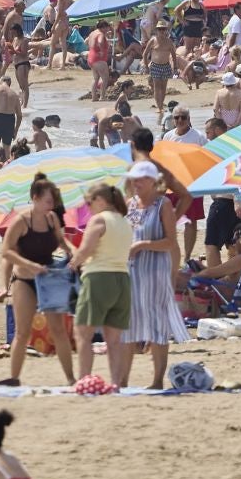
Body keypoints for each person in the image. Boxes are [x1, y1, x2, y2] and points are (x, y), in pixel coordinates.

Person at [0, 176, 75, 385]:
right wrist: (29, 265)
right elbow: (5, 252)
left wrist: (72, 253)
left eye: (53, 202)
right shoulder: (21, 221)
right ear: (35, 198)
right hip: (24, 279)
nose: (52, 205)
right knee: (22, 332)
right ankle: (14, 378)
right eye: (48, 201)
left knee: (58, 329)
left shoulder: (52, 219)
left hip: (48, 278)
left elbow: (61, 240)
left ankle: (70, 378)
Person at [123, 162, 190, 387]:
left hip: (156, 271)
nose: (136, 182)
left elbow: (171, 241)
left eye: (141, 178)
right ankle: (122, 380)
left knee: (157, 325)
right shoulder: (130, 205)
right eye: (134, 178)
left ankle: (157, 379)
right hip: (133, 271)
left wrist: (142, 245)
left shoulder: (163, 204)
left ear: (153, 181)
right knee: (129, 323)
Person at [69, 182, 132, 385]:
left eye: (89, 202)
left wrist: (74, 262)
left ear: (100, 200)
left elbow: (86, 249)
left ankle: (84, 380)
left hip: (99, 277)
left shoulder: (98, 220)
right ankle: (115, 384)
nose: (88, 207)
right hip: (122, 279)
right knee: (113, 340)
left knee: (82, 333)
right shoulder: (124, 221)